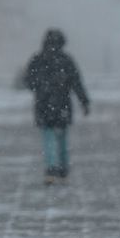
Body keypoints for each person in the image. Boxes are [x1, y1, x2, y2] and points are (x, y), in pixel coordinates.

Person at [22, 29, 90, 185]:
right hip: (62, 106)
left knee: (48, 137)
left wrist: (41, 85)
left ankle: (51, 168)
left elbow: (28, 81)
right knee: (62, 138)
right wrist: (84, 102)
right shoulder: (66, 60)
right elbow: (77, 83)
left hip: (43, 105)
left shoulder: (38, 59)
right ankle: (63, 168)